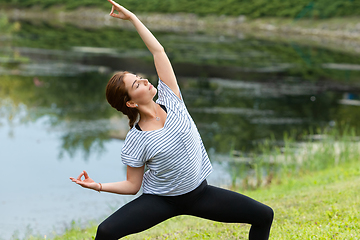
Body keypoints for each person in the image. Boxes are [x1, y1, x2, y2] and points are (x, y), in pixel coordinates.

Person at [70, 1, 274, 239]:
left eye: (139, 76)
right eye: (137, 84)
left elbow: (158, 51)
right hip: (161, 201)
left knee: (264, 215)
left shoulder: (172, 98)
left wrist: (134, 19)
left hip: (201, 194)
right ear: (131, 103)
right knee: (105, 231)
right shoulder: (137, 139)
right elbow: (132, 186)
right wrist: (99, 186)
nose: (145, 80)